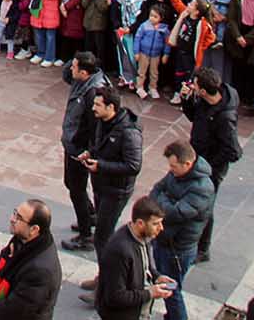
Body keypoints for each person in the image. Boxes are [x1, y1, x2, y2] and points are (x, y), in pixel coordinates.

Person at [80, 85, 143, 298]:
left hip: (116, 190)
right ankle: (103, 276)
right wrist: (91, 153)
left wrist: (102, 166)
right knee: (102, 234)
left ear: (111, 107)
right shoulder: (102, 122)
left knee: (102, 237)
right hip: (101, 185)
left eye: (98, 105)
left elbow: (133, 165)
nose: (93, 108)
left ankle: (107, 284)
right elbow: (99, 145)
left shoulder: (129, 133)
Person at [180, 67, 242, 263]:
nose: (193, 87)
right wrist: (187, 100)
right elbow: (194, 117)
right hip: (199, 157)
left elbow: (233, 151)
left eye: (195, 86)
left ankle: (202, 248)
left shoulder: (224, 118)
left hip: (210, 166)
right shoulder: (206, 102)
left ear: (204, 91)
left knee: (205, 205)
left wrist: (207, 166)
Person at [148, 141, 215, 320]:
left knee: (172, 292)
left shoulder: (202, 187)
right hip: (164, 239)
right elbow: (156, 190)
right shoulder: (176, 174)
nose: (171, 169)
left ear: (187, 163)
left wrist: (162, 201)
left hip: (178, 248)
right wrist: (166, 199)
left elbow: (176, 213)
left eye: (174, 166)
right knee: (167, 285)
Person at [0, 199, 62, 320]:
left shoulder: (40, 271)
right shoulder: (22, 240)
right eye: (14, 213)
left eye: (19, 218)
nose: (12, 219)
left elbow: (15, 310)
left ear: (34, 229)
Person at [94, 196, 175, 320]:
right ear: (140, 223)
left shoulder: (145, 236)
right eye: (155, 224)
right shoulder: (119, 251)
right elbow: (115, 297)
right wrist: (150, 293)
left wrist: (157, 277)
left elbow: (144, 266)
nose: (161, 228)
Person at [61, 52, 106, 253]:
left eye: (75, 67)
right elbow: (66, 74)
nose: (71, 68)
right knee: (71, 183)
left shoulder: (93, 94)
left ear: (85, 72)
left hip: (80, 149)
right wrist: (76, 59)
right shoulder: (81, 81)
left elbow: (95, 127)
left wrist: (88, 150)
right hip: (72, 143)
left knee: (76, 188)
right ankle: (89, 215)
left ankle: (86, 234)